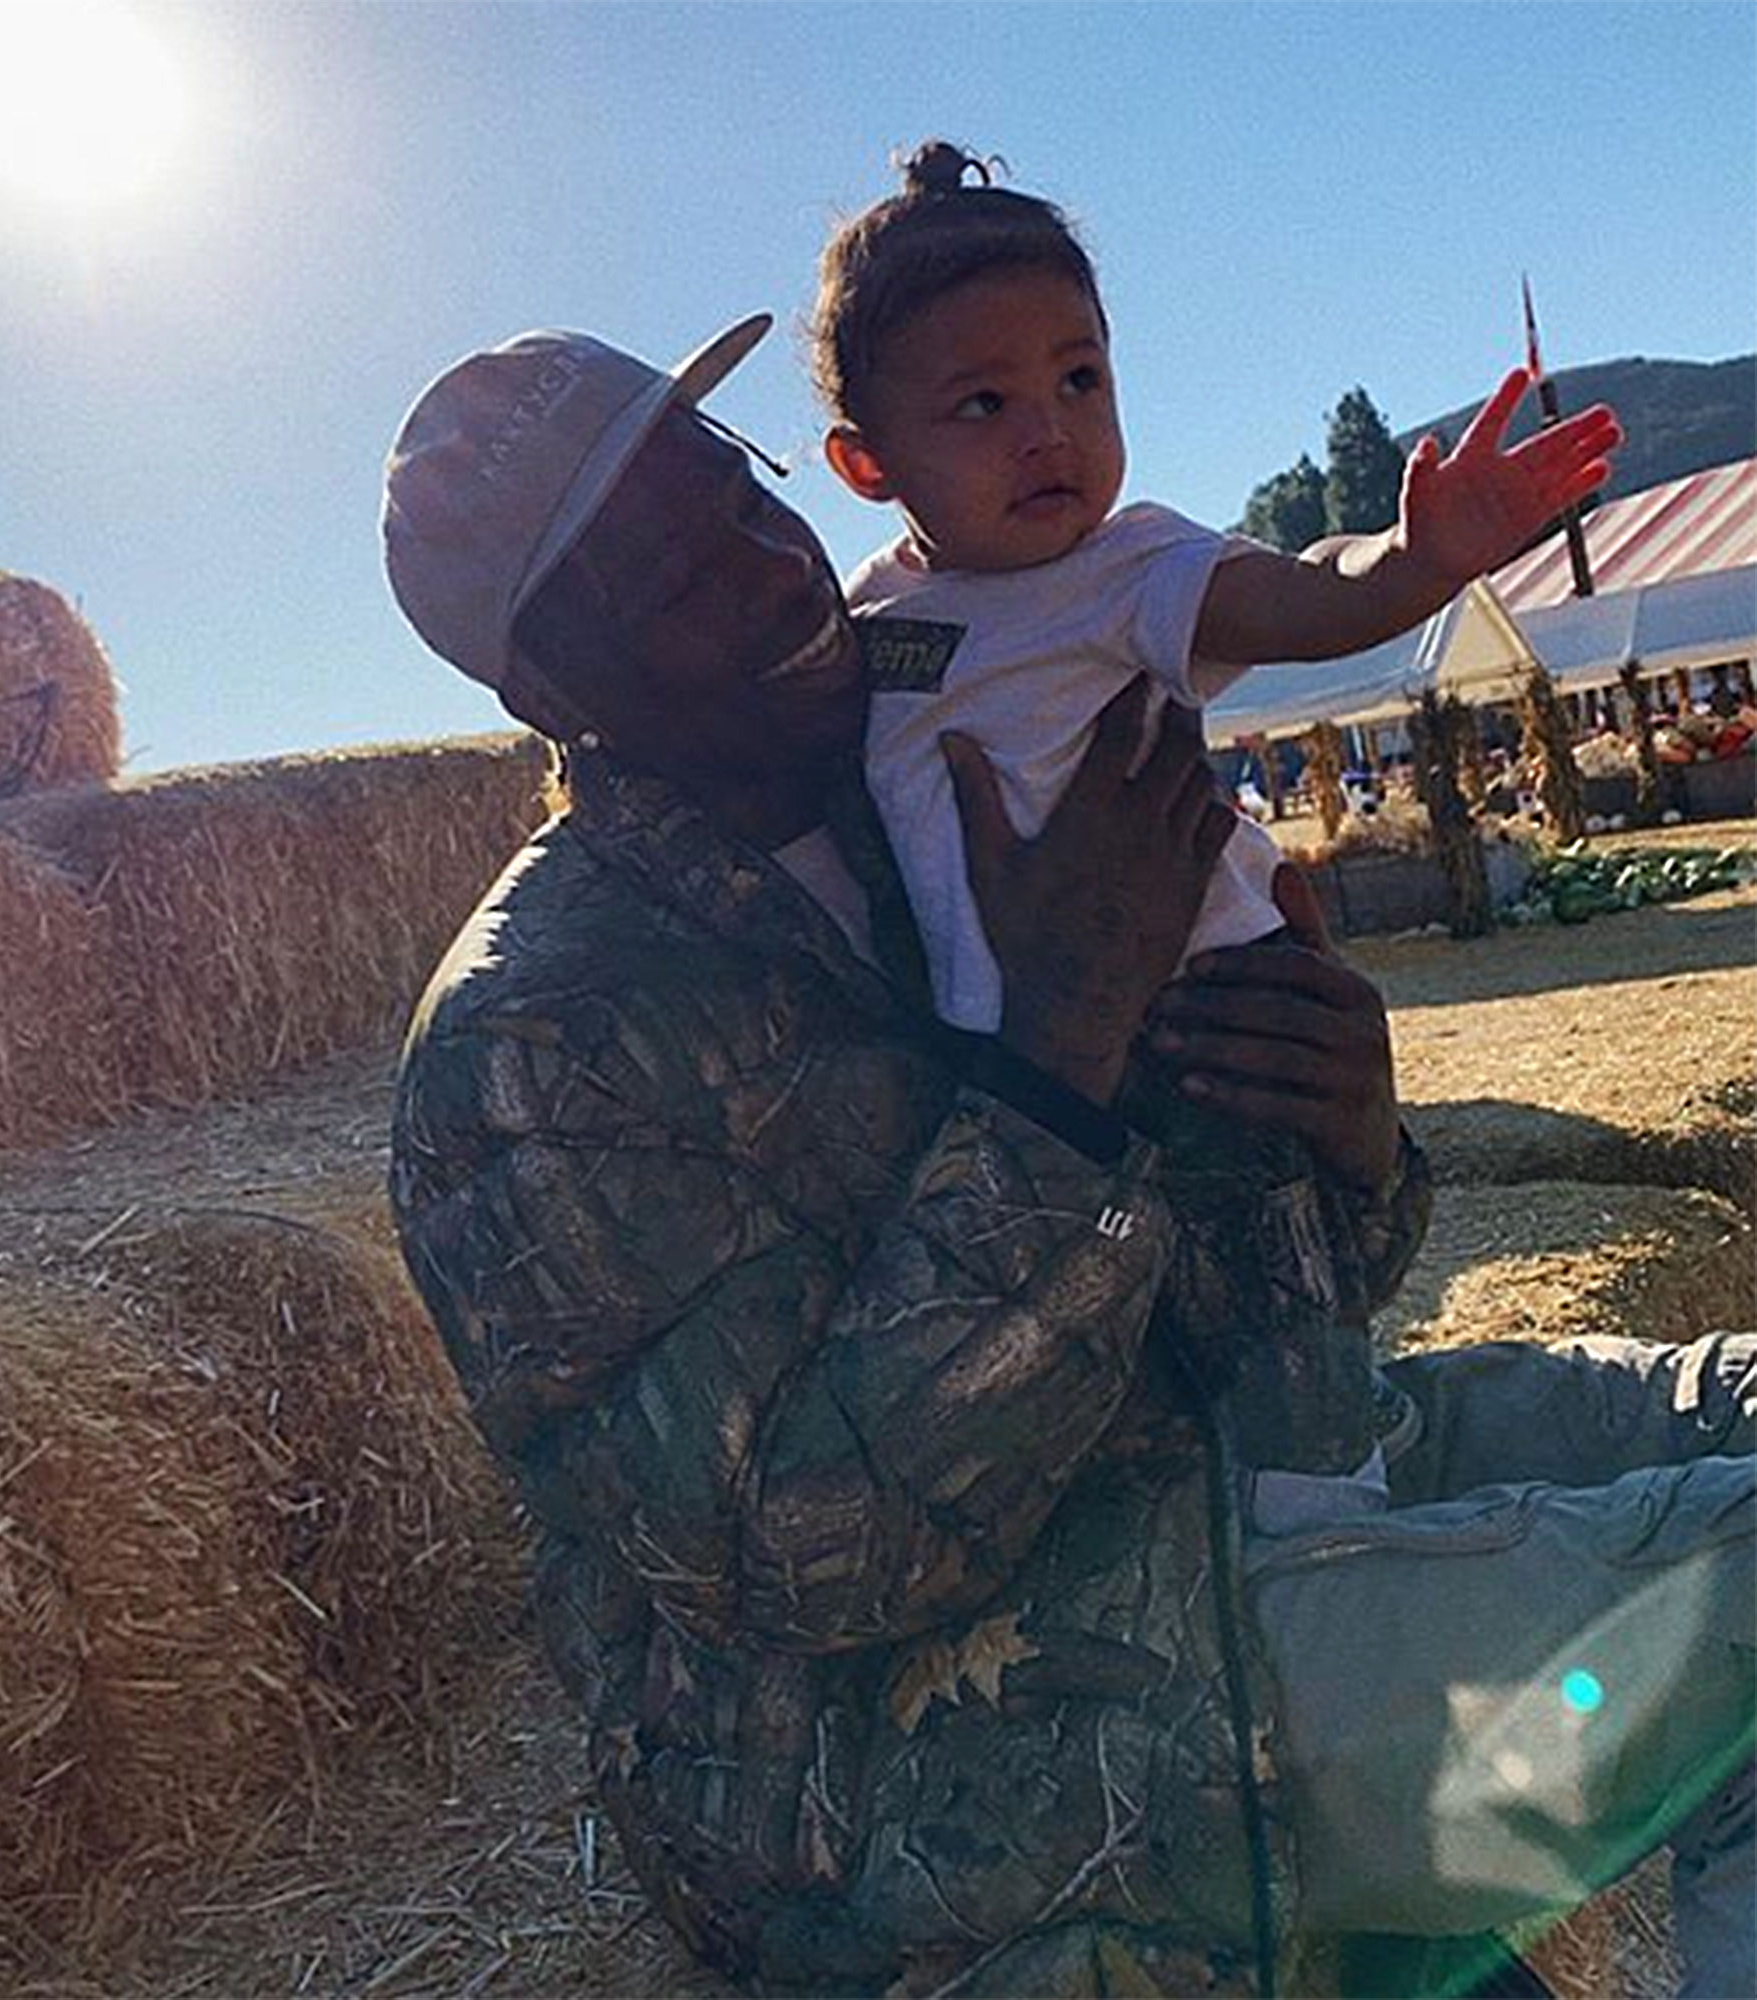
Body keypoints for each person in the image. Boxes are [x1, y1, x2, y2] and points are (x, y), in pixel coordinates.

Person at [380, 317, 1754, 1998]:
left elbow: (1224, 1272)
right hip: (951, 1766)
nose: (772, 581)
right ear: (554, 691)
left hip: (1236, 1484)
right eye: (674, 581)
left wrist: (1338, 1134)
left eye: (738, 505)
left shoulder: (952, 756)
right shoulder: (532, 1044)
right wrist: (1054, 1057)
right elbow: (803, 1559)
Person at [810, 142, 1621, 1036]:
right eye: (984, 404)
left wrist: (1413, 559)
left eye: (1080, 380)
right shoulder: (868, 611)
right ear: (867, 462)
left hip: (1210, 1004)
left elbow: (1310, 594)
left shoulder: (1132, 568)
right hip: (1022, 1049)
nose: (1050, 433)